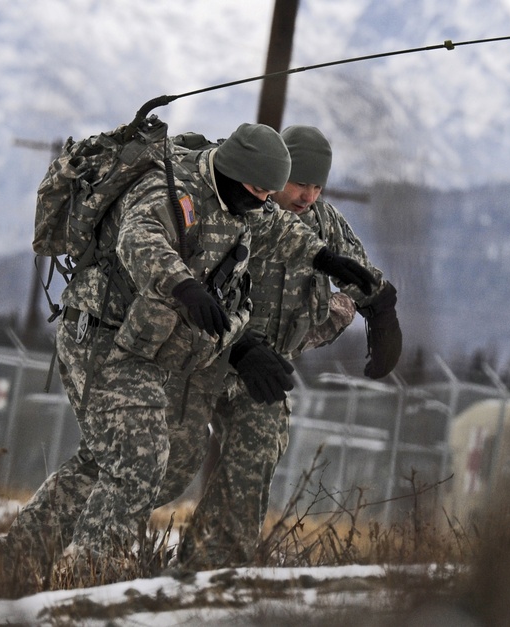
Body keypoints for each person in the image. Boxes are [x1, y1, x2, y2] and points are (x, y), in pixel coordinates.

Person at [0, 122, 376, 582]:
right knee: (138, 458)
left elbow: (277, 229)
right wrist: (184, 285)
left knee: (120, 460)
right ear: (233, 174)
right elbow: (139, 238)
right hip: (98, 334)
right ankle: (89, 575)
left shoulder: (248, 203)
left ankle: (14, 562)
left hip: (142, 345)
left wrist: (323, 259)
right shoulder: (174, 191)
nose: (262, 201)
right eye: (257, 190)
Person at [159, 125, 402, 569]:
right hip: (208, 355)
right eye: (299, 182)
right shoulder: (241, 206)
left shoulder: (324, 223)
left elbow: (359, 272)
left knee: (255, 456)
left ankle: (210, 568)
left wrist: (382, 311)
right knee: (169, 464)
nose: (307, 194)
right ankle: (91, 529)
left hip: (267, 369)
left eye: (316, 185)